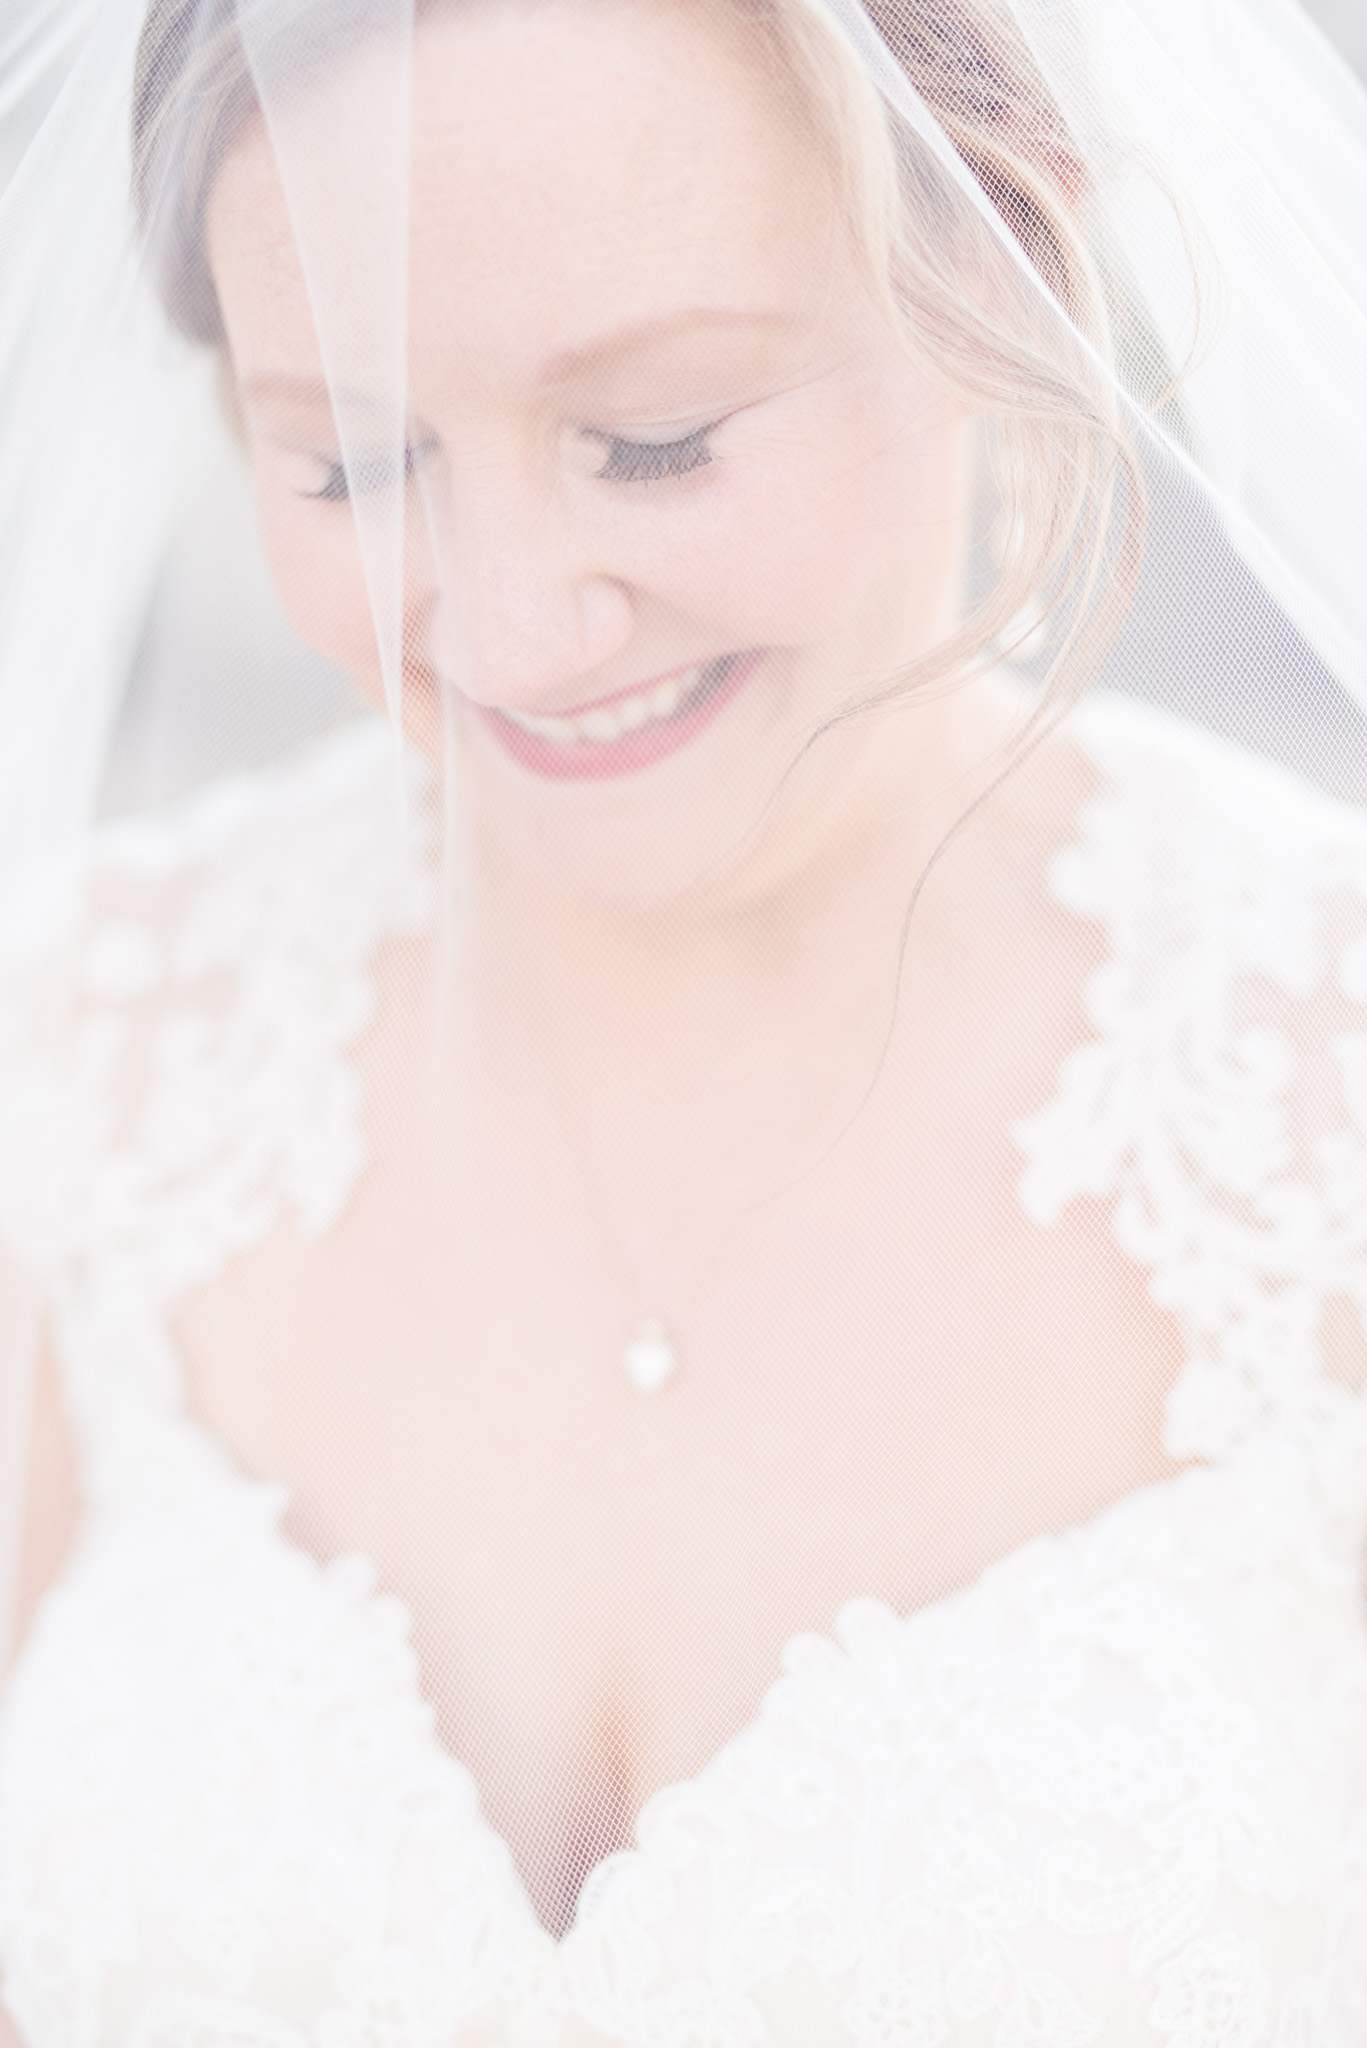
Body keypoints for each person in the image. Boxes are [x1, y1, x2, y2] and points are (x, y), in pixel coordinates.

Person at [0, 0, 1365, 2038]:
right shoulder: (82, 1058)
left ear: (999, 260)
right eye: (354, 461)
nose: (521, 624)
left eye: (657, 439)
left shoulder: (1320, 1085)